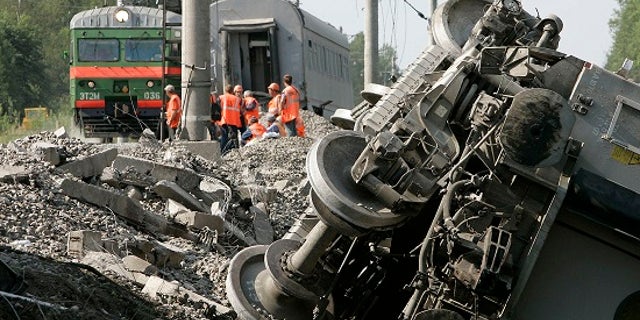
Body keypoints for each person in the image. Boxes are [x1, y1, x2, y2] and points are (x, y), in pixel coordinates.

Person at [218, 84, 243, 154]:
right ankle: (235, 152)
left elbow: (218, 108)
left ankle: (222, 152)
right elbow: (241, 110)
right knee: (234, 138)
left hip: (224, 120)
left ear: (225, 90)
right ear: (233, 91)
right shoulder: (237, 99)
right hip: (234, 121)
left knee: (224, 137)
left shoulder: (221, 98)